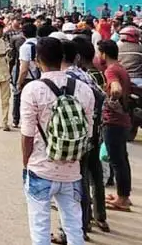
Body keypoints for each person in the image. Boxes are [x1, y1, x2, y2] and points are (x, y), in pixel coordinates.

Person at [20, 37, 94, 245]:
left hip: (40, 168)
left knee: (40, 227)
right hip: (72, 170)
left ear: (37, 59)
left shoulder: (33, 89)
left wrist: (26, 164)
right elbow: (87, 133)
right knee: (73, 226)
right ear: (63, 58)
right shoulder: (83, 89)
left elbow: (27, 134)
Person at [62, 37, 109, 240]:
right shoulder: (88, 75)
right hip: (95, 132)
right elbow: (102, 98)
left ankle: (81, 226)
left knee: (77, 181)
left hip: (80, 135)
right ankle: (100, 217)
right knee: (95, 175)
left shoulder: (69, 76)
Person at [97, 40, 133, 212]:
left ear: (104, 54)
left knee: (117, 161)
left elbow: (116, 89)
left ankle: (123, 199)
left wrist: (110, 101)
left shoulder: (111, 70)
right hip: (123, 120)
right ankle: (123, 194)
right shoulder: (121, 68)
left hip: (113, 121)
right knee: (122, 159)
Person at [15, 22, 39, 128]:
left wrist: (19, 82)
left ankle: (18, 121)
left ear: (23, 33)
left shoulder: (25, 47)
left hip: (28, 79)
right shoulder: (40, 43)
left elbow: (24, 69)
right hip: (40, 78)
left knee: (23, 102)